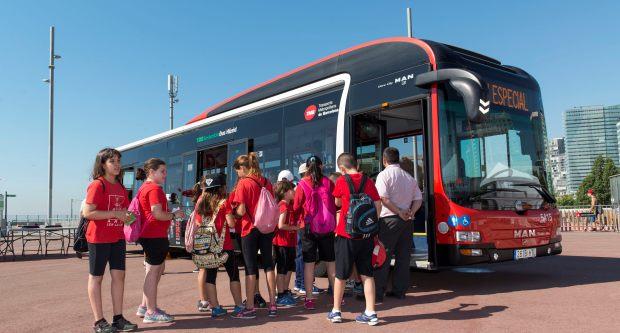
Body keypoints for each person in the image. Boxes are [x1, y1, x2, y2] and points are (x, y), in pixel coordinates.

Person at [83, 148, 138, 333]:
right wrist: (115, 213)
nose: (117, 165)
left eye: (118, 161)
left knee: (119, 277)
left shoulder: (121, 187)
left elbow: (125, 213)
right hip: (98, 238)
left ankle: (118, 318)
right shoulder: (98, 185)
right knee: (96, 278)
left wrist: (133, 218)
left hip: (117, 237)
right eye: (112, 161)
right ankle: (99, 321)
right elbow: (88, 212)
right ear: (103, 164)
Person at [328, 152, 381, 326]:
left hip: (346, 234)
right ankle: (371, 313)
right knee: (367, 274)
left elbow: (336, 203)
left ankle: (336, 311)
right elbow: (378, 206)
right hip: (366, 235)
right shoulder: (369, 181)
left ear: (342, 168)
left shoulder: (342, 181)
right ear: (356, 164)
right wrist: (369, 226)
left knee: (341, 274)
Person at [135, 158, 185, 324]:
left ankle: (144, 306)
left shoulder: (144, 188)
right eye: (162, 171)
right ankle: (151, 311)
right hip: (154, 235)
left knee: (155, 269)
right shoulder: (154, 189)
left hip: (150, 234)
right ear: (151, 172)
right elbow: (156, 214)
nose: (165, 174)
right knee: (153, 271)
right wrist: (174, 215)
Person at [231, 152, 278, 318]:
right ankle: (273, 304)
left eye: (237, 171)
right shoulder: (266, 182)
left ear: (243, 168)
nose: (238, 174)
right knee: (268, 265)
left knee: (250, 268)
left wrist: (234, 213)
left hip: (249, 228)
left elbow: (241, 210)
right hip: (266, 228)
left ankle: (250, 307)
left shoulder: (244, 183)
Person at [374, 147, 423, 302]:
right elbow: (419, 199)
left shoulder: (383, 175)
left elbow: (383, 198)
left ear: (384, 160)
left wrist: (399, 211)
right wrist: (411, 212)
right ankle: (399, 291)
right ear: (398, 159)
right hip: (407, 222)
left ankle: (377, 293)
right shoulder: (408, 177)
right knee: (403, 257)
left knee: (383, 256)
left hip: (389, 220)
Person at [194, 173, 244, 318]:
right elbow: (231, 223)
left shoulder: (201, 204)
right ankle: (239, 306)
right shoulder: (224, 203)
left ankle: (215, 308)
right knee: (233, 275)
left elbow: (198, 224)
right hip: (225, 245)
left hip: (208, 247)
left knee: (210, 277)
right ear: (220, 188)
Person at [294, 156, 337, 310]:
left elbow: (296, 206)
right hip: (327, 227)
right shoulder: (328, 182)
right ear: (322, 165)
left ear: (306, 167)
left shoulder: (301, 184)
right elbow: (336, 203)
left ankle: (309, 298)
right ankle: (336, 296)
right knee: (331, 262)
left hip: (307, 228)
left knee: (309, 264)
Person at [273, 179, 300, 307]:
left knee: (289, 267)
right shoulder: (283, 206)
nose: (294, 191)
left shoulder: (289, 205)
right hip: (282, 243)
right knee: (282, 269)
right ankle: (281, 294)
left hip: (289, 242)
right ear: (285, 192)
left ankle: (285, 290)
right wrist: (295, 227)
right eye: (291, 190)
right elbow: (281, 225)